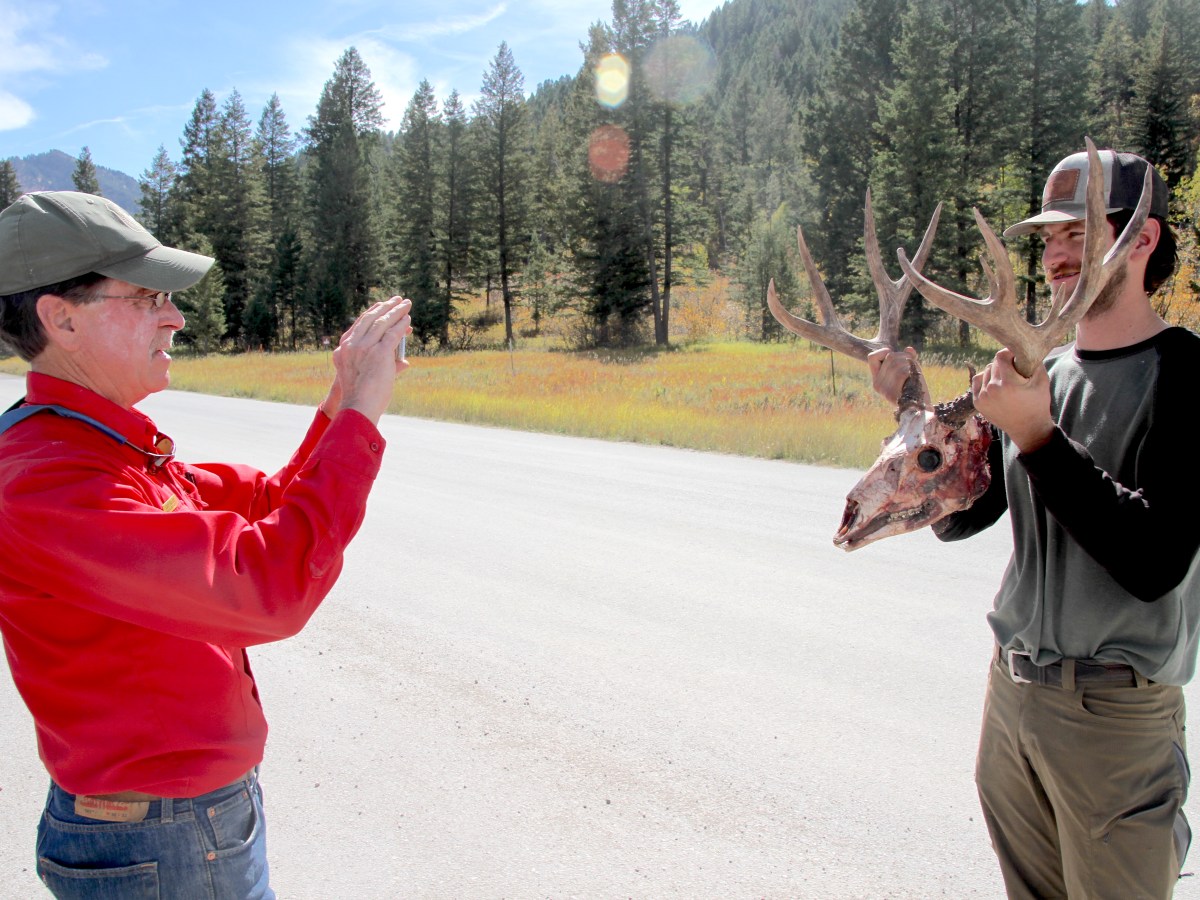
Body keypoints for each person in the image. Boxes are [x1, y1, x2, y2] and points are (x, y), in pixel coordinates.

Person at [0, 190, 412, 898]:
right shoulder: (49, 480)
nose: (176, 316)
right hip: (161, 841)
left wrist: (341, 402)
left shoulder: (93, 445)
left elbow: (270, 508)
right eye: (148, 296)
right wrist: (360, 419)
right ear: (61, 318)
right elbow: (270, 586)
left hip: (174, 831)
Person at [870, 148, 1200, 898]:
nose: (1053, 254)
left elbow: (1154, 562)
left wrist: (1040, 438)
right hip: (1013, 703)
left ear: (1141, 240)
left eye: (1078, 234)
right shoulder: (1040, 374)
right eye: (1047, 238)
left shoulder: (1184, 375)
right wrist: (910, 404)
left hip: (1113, 720)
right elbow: (960, 516)